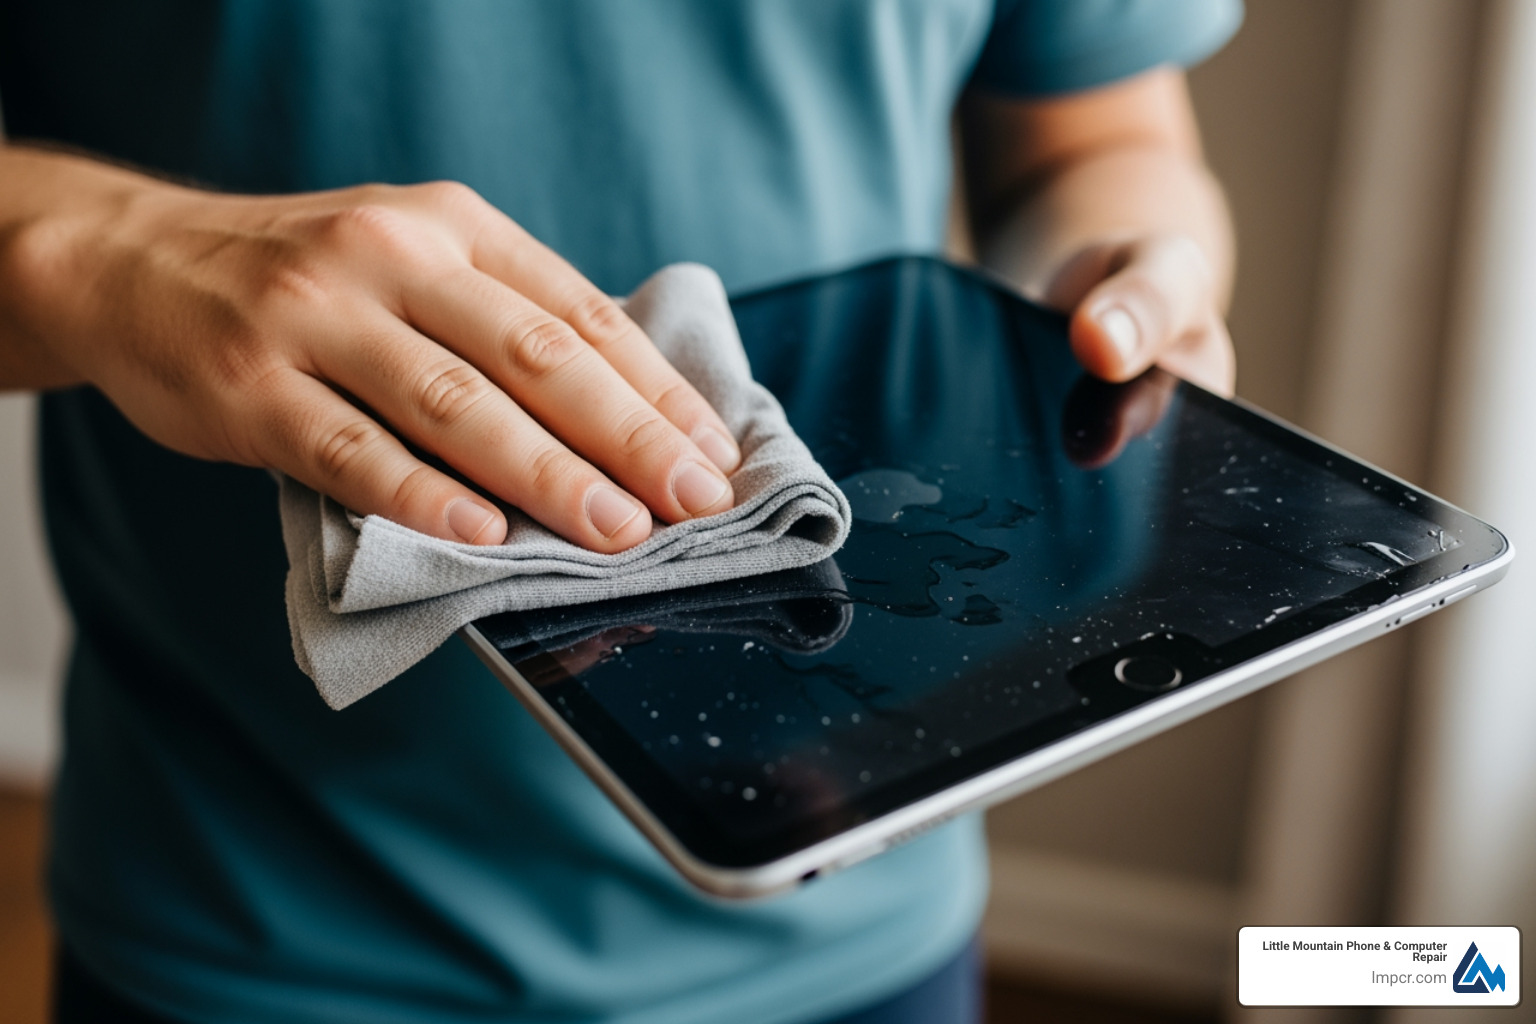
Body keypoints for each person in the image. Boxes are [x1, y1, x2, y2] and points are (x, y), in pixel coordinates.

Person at [0, 2, 1242, 1021]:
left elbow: (1093, 139)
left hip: (859, 892)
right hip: (245, 925)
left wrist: (1116, 279)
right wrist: (103, 250)